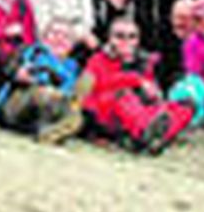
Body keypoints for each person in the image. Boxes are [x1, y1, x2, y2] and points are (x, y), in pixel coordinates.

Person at [79, 16, 196, 154]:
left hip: (141, 110)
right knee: (123, 94)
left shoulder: (144, 61)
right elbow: (85, 90)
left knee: (185, 106)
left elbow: (151, 93)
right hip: (109, 114)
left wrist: (154, 95)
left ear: (138, 40)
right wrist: (136, 80)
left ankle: (156, 135)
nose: (126, 41)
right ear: (109, 38)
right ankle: (145, 135)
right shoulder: (97, 59)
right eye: (119, 36)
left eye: (132, 37)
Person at [0, 21, 86, 144]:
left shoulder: (74, 68)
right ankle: (50, 131)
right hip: (18, 104)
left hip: (51, 108)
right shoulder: (29, 51)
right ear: (43, 38)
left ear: (72, 46)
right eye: (55, 33)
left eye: (66, 37)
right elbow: (7, 71)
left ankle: (49, 134)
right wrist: (17, 75)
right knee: (45, 93)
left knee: (76, 114)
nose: (60, 39)